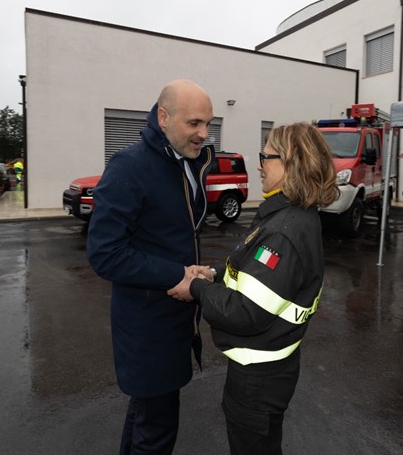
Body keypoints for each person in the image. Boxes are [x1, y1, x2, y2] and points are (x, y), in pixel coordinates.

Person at [168, 122, 337, 455]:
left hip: (257, 378)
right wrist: (213, 276)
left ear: (293, 163)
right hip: (270, 368)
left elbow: (248, 312)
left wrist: (197, 289)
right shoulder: (288, 216)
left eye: (266, 155)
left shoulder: (283, 231)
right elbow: (259, 284)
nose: (259, 164)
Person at [86, 79, 215, 454]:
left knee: (146, 417)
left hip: (176, 322)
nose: (204, 134)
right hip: (148, 329)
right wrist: (178, 274)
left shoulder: (187, 162)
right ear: (164, 117)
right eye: (194, 123)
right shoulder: (130, 166)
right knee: (156, 431)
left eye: (207, 123)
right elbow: (105, 253)